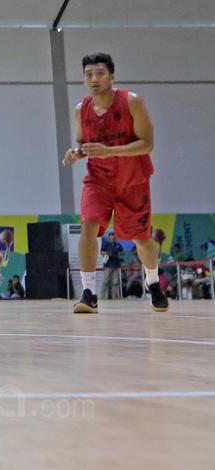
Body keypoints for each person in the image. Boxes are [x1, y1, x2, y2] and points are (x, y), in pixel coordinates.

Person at [62, 53, 167, 313]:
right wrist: (76, 152)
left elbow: (147, 144)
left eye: (99, 73)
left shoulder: (131, 101)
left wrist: (110, 151)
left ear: (112, 77)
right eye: (88, 74)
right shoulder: (81, 110)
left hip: (133, 181)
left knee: (142, 240)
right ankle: (89, 293)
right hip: (99, 180)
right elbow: (81, 141)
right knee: (87, 227)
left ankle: (152, 281)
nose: (94, 79)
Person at [102, 235, 123, 300]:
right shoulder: (105, 244)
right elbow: (101, 252)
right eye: (111, 238)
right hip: (108, 265)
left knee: (115, 282)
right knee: (106, 281)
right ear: (109, 238)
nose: (112, 239)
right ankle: (103, 297)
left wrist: (120, 254)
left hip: (116, 265)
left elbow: (122, 251)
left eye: (113, 238)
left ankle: (114, 297)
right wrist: (107, 253)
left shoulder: (118, 245)